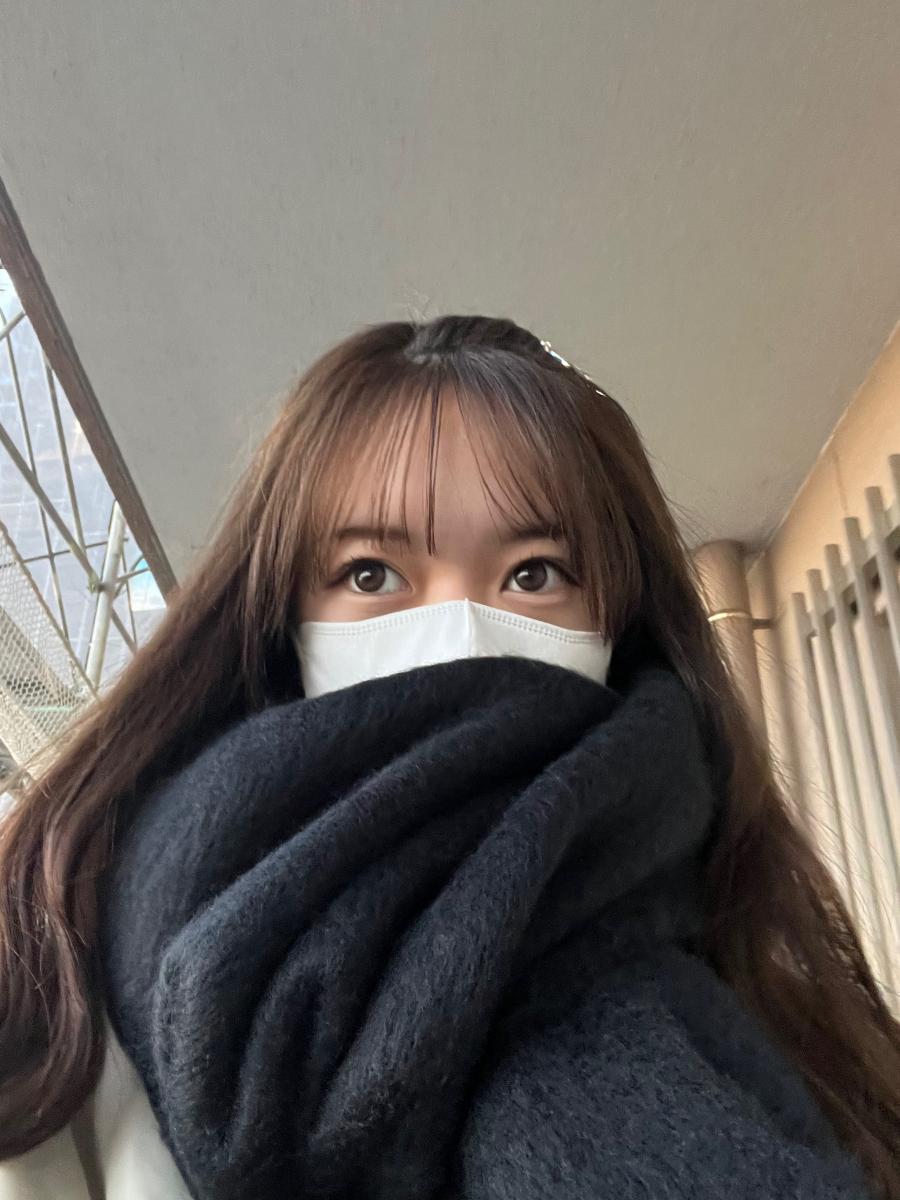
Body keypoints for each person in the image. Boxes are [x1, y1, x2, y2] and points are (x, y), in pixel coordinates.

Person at [0, 314, 897, 1200]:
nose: (460, 633)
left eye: (535, 573)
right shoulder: (62, 967)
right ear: (283, 624)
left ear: (617, 629)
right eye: (371, 574)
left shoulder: (722, 978)